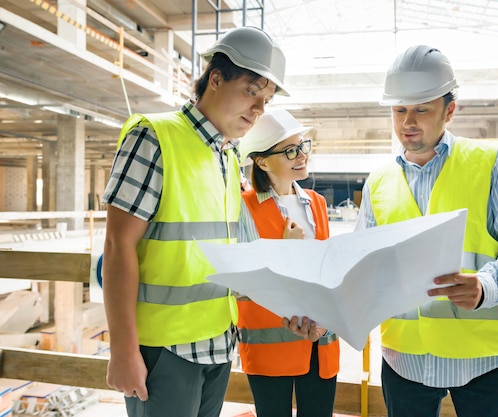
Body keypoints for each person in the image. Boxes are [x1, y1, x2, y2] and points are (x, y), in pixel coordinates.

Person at [100, 26, 289, 417]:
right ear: (215, 78)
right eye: (252, 91)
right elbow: (118, 246)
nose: (258, 110)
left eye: (266, 100)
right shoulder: (154, 137)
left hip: (218, 342)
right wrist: (122, 349)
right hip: (164, 351)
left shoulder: (228, 157)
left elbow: (227, 255)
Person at [355, 45, 498, 417]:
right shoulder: (378, 181)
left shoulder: (490, 162)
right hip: (404, 359)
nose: (408, 122)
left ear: (450, 110)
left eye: (422, 110)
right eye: (399, 110)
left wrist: (486, 286)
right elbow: (362, 263)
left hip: (484, 359)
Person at [237, 108, 340, 417]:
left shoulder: (316, 203)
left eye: (303, 145)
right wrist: (284, 251)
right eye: (291, 150)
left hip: (320, 343)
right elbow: (243, 280)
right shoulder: (244, 208)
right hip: (271, 349)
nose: (302, 155)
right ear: (262, 161)